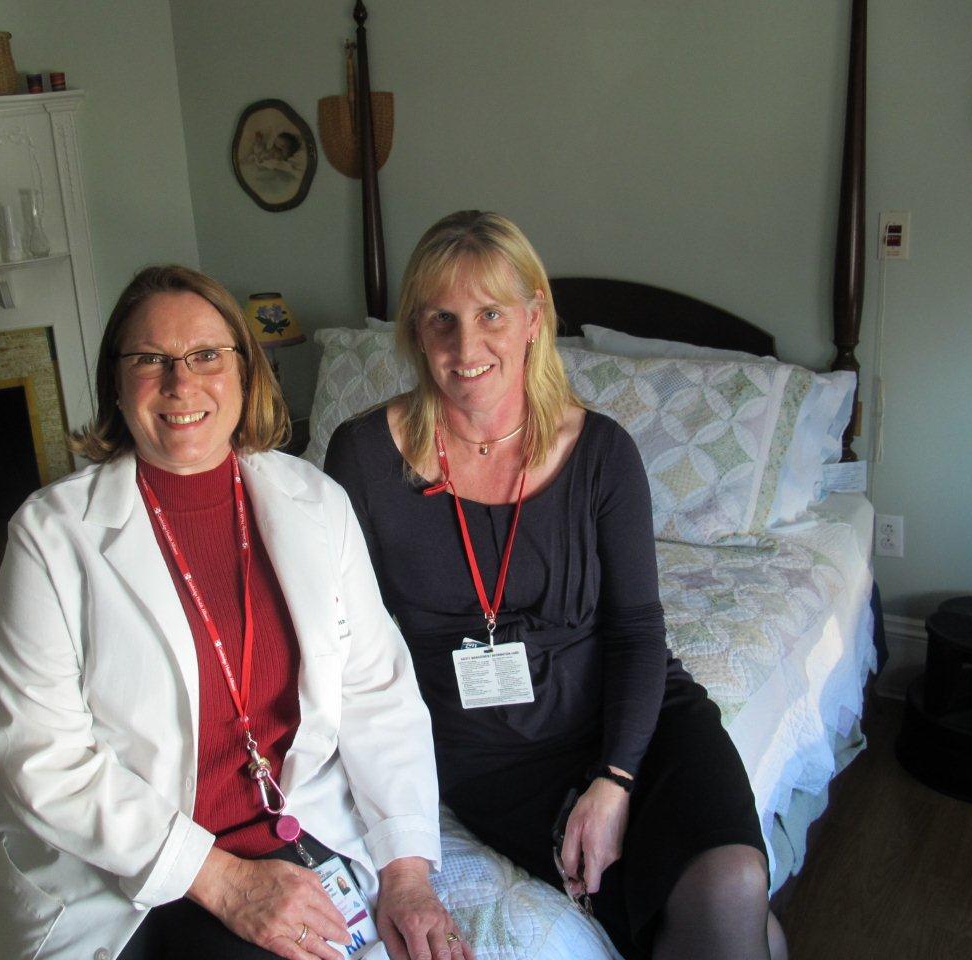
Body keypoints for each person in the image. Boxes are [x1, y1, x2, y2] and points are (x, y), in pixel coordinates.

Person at [0, 265, 471, 960]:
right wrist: (225, 882)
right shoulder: (51, 535)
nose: (181, 383)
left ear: (245, 371)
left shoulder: (314, 501)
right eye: (150, 360)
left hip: (294, 828)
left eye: (206, 356)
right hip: (135, 872)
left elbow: (375, 691)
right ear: (115, 380)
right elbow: (41, 756)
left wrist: (406, 872)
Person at [324, 212, 787, 960]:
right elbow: (343, 646)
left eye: (490, 315)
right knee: (733, 931)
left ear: (533, 320)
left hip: (638, 725)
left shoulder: (602, 453)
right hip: (498, 762)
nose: (465, 346)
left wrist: (615, 780)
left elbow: (637, 630)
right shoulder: (363, 460)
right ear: (413, 330)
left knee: (733, 881)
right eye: (440, 319)